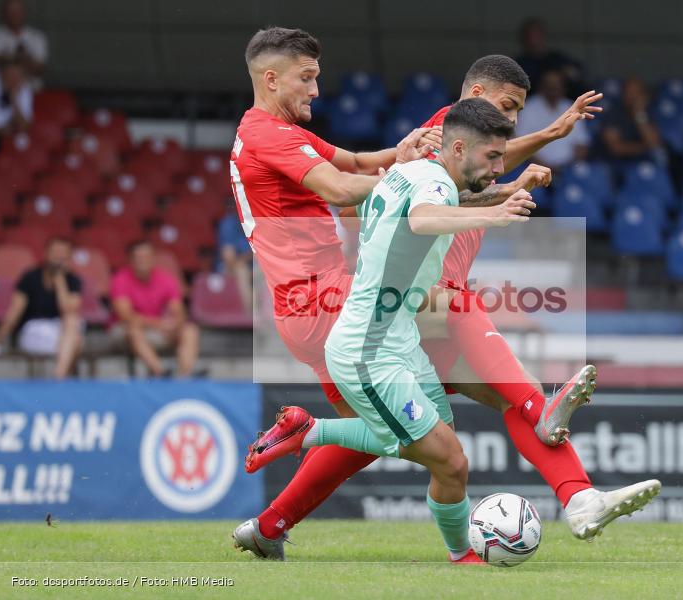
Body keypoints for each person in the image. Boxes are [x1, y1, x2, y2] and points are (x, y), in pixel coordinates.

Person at [229, 28, 659, 560]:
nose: (317, 89)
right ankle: (542, 426)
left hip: (333, 304)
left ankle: (576, 497)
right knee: (460, 316)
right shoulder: (442, 135)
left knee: (404, 438)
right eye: (308, 77)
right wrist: (453, 182)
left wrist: (492, 175)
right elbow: (364, 193)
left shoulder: (285, 134)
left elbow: (364, 167)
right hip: (323, 303)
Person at [238, 98, 535, 564]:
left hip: (399, 339)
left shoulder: (410, 174)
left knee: (444, 456)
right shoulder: (432, 183)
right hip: (368, 351)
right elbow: (422, 219)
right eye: (493, 157)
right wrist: (498, 214)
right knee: (449, 457)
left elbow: (379, 210)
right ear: (459, 147)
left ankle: (308, 431)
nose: (499, 165)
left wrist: (507, 187)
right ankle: (463, 557)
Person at [109, 240, 200, 377]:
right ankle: (161, 373)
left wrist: (175, 325)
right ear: (131, 260)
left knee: (190, 330)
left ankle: (184, 377)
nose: (143, 261)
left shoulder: (165, 279)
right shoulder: (120, 280)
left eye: (146, 256)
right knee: (134, 329)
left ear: (153, 258)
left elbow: (178, 309)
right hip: (124, 330)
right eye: (139, 257)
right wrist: (160, 324)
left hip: (157, 330)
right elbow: (126, 316)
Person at [0, 237, 83, 378]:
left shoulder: (73, 281)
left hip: (63, 332)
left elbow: (68, 310)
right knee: (76, 343)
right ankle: (63, 379)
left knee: (72, 323)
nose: (59, 258)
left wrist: (60, 281)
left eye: (63, 254)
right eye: (55, 253)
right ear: (46, 254)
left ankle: (58, 376)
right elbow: (15, 312)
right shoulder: (30, 278)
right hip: (34, 330)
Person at [516, 68, 590, 172]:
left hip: (568, 170)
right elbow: (521, 144)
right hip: (534, 168)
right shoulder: (528, 107)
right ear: (541, 86)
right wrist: (545, 167)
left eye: (557, 83)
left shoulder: (572, 106)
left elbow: (582, 146)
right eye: (549, 83)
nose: (553, 87)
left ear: (564, 87)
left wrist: (565, 169)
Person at [599, 77, 664, 175]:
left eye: (636, 93)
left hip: (642, 161)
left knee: (660, 157)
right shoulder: (613, 114)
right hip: (617, 163)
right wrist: (644, 148)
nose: (633, 97)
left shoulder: (648, 113)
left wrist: (639, 114)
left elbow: (654, 144)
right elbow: (616, 148)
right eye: (629, 92)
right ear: (623, 95)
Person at [515, 17, 585, 96]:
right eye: (530, 36)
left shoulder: (557, 59)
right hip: (531, 103)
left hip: (560, 103)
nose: (533, 40)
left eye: (537, 35)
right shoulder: (518, 64)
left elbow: (576, 73)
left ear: (543, 36)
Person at [0, 0, 47, 87]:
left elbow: (40, 69)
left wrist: (8, 58)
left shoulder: (36, 37)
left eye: (17, 11)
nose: (14, 15)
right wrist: (17, 58)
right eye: (11, 12)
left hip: (32, 89)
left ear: (24, 13)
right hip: (0, 91)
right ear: (4, 14)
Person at [216, 199, 253, 312]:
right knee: (241, 269)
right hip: (230, 269)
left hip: (255, 267)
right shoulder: (228, 224)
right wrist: (253, 255)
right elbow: (230, 260)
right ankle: (249, 313)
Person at [0, 57, 32, 138]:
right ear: (2, 74)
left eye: (18, 77)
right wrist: (0, 130)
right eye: (11, 75)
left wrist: (14, 100)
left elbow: (24, 126)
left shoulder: (24, 89)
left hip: (5, 138)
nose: (14, 80)